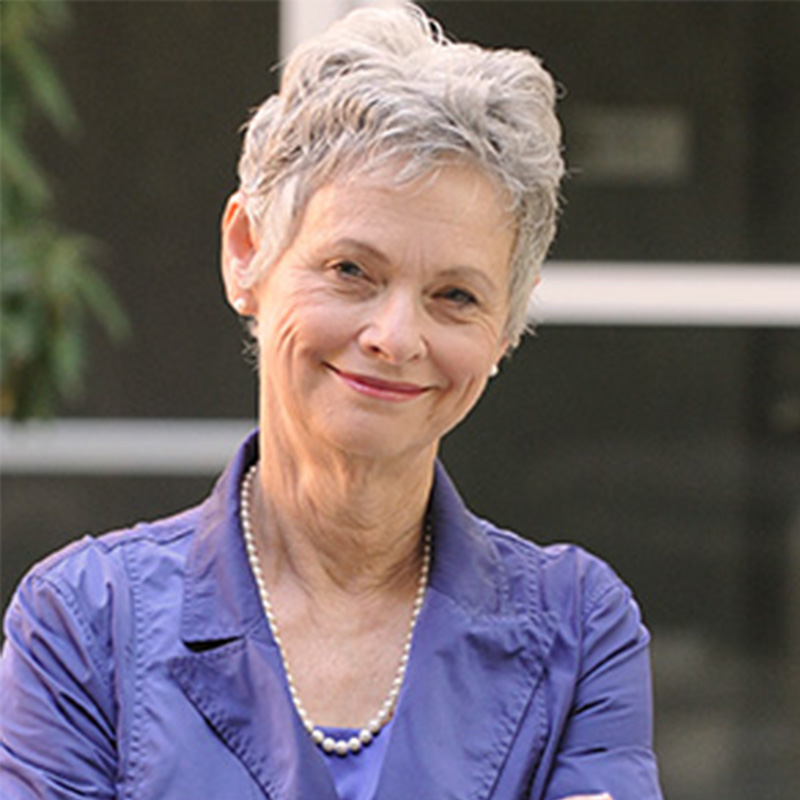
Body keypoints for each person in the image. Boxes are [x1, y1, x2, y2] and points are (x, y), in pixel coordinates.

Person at [0, 5, 663, 799]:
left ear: (507, 326)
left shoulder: (580, 632)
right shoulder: (82, 624)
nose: (394, 335)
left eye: (455, 294)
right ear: (247, 253)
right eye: (351, 270)